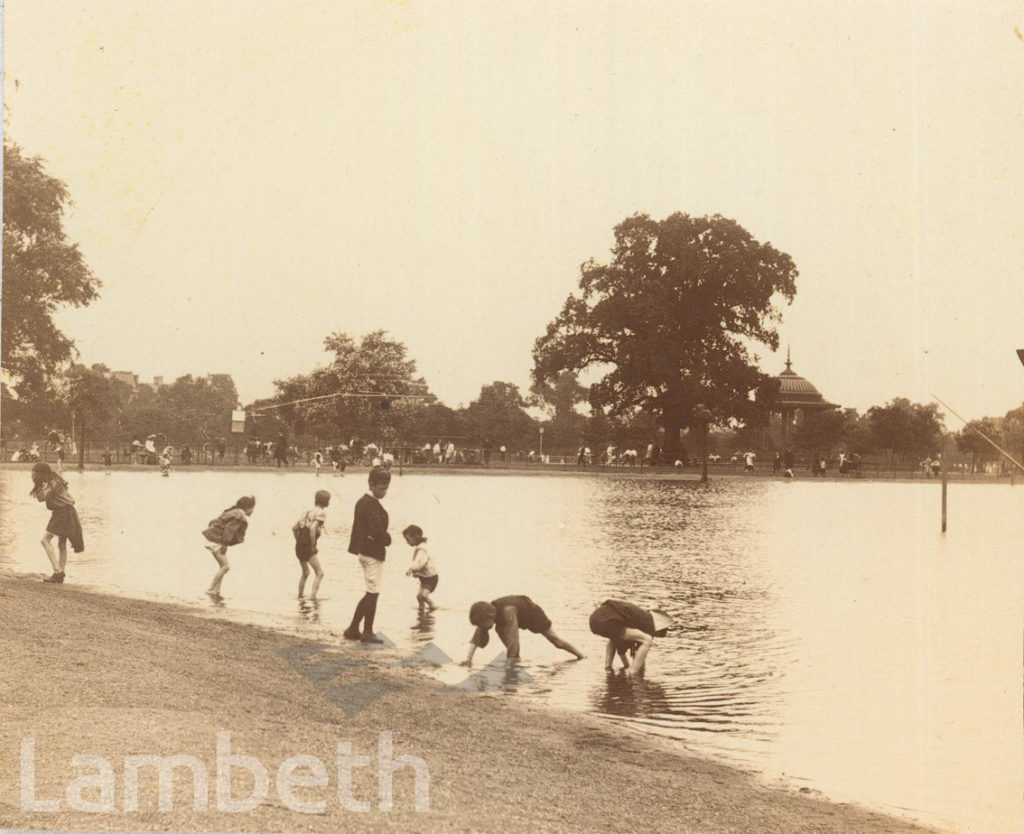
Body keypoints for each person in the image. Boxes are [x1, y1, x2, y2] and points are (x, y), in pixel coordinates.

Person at [463, 595, 584, 667]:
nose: (481, 627)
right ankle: (514, 660)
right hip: (515, 612)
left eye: (482, 624)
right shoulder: (487, 611)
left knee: (557, 642)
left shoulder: (507, 612)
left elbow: (514, 639)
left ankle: (581, 655)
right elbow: (478, 633)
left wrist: (512, 659)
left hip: (532, 614)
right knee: (498, 629)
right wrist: (468, 659)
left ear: (490, 616)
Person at [343, 467, 392, 642]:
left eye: (386, 488)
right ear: (371, 484)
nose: (384, 491)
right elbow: (377, 531)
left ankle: (354, 628)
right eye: (381, 488)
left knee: (372, 592)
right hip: (372, 553)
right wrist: (388, 539)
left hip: (364, 551)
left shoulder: (362, 501)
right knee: (373, 593)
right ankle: (366, 631)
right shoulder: (370, 504)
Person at [30, 462, 84, 583]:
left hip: (62, 513)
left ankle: (58, 572)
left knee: (45, 540)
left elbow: (41, 497)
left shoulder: (53, 483)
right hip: (68, 511)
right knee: (61, 544)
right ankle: (60, 573)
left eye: (35, 473)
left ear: (42, 473)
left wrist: (37, 485)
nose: (34, 476)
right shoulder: (55, 480)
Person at [589, 599, 672, 676]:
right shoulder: (649, 623)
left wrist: (626, 665)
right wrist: (637, 671)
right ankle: (633, 675)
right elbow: (639, 655)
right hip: (608, 622)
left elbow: (620, 647)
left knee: (614, 637)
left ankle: (608, 668)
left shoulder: (639, 616)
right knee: (647, 640)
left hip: (594, 619)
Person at [202, 495, 256, 597]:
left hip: (212, 537)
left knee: (222, 566)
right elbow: (229, 530)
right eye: (252, 509)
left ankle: (217, 591)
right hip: (217, 540)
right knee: (226, 567)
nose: (253, 511)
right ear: (247, 508)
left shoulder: (232, 511)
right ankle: (210, 589)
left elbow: (214, 522)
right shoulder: (239, 516)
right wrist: (224, 545)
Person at [293, 489, 330, 599]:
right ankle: (313, 598)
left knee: (305, 573)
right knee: (320, 573)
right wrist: (313, 545)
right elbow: (313, 528)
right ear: (326, 502)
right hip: (308, 546)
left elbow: (294, 528)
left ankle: (300, 597)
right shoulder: (321, 513)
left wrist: (298, 541)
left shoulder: (306, 511)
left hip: (299, 545)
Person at [402, 524, 438, 612]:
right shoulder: (420, 547)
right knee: (419, 597)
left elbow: (419, 562)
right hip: (424, 578)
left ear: (415, 537)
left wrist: (411, 569)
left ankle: (433, 607)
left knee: (424, 596)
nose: (407, 542)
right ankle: (421, 611)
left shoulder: (422, 549)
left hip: (431, 578)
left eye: (408, 539)